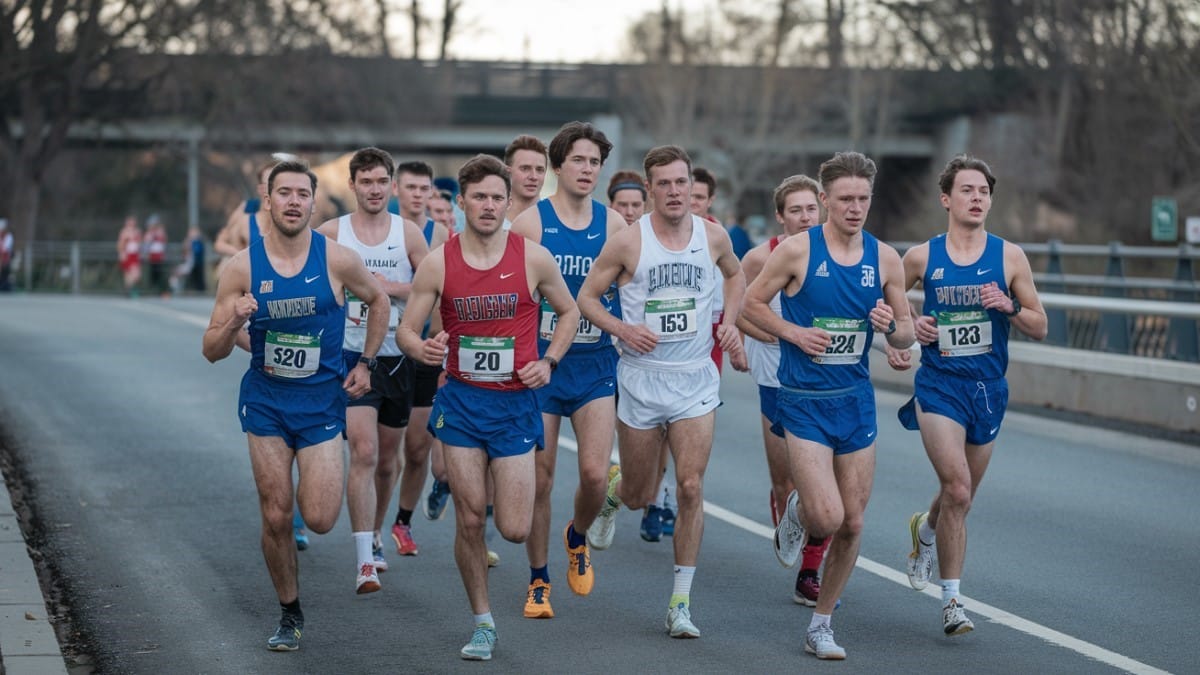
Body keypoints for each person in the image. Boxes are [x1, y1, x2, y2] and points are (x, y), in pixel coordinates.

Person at [396, 153, 579, 661]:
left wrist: (550, 362)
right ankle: (483, 622)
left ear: (507, 202)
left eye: (498, 197)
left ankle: (493, 507)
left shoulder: (532, 257)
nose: (490, 205)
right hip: (461, 403)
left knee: (515, 528)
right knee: (471, 519)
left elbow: (568, 311)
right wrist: (422, 349)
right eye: (479, 196)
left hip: (516, 404)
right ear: (462, 202)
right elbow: (407, 329)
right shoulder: (439, 262)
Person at [202, 159, 389, 651]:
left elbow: (379, 301)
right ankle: (290, 611)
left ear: (312, 201)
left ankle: (299, 566)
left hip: (322, 403)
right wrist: (232, 321)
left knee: (321, 517)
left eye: (301, 194)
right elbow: (211, 350)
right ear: (268, 200)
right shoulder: (241, 267)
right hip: (265, 402)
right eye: (282, 193)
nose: (292, 201)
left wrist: (365, 362)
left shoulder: (337, 259)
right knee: (277, 513)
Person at [741, 151, 914, 660]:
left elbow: (905, 331)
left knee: (853, 522)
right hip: (803, 400)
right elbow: (749, 305)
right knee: (828, 515)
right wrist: (793, 332)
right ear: (824, 200)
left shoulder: (885, 258)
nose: (855, 208)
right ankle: (799, 507)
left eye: (863, 199)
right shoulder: (796, 252)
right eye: (845, 199)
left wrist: (891, 327)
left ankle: (821, 624)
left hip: (855, 400)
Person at [577, 144, 746, 639]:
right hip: (642, 377)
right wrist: (622, 330)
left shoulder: (712, 236)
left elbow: (736, 277)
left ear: (692, 187)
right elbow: (586, 298)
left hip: (695, 376)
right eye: (665, 184)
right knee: (640, 494)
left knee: (691, 487)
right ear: (649, 189)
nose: (675, 192)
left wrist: (729, 323)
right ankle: (614, 493)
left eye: (682, 183)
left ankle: (680, 602)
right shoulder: (628, 243)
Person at [886, 154, 1047, 636]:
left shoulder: (1009, 256)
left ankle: (927, 531)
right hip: (939, 386)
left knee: (961, 497)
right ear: (946, 199)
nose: (977, 199)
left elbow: (1040, 325)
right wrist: (910, 331)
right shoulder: (920, 257)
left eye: (983, 192)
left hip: (988, 388)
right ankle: (953, 603)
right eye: (967, 191)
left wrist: (1010, 305)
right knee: (956, 487)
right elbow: (887, 314)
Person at [510, 121, 626, 618]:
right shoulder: (530, 224)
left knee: (596, 476)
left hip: (594, 363)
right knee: (541, 476)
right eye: (578, 160)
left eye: (594, 162)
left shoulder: (616, 226)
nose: (586, 169)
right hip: (540, 366)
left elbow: (635, 289)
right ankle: (539, 581)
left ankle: (576, 535)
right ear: (559, 165)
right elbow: (511, 296)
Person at [316, 147, 429, 593]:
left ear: (393, 186)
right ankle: (364, 559)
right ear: (354, 186)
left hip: (395, 357)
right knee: (362, 452)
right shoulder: (331, 233)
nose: (375, 189)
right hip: (349, 356)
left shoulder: (409, 234)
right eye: (367, 182)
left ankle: (378, 531)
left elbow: (429, 285)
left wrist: (386, 290)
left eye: (382, 181)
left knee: (387, 461)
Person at [735, 174, 831, 606]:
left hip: (830, 381)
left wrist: (891, 346)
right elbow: (734, 310)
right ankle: (788, 512)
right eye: (795, 210)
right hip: (776, 378)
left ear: (822, 209)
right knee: (787, 481)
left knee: (827, 489)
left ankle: (810, 571)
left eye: (811, 208)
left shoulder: (843, 252)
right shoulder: (759, 258)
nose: (805, 217)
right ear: (780, 216)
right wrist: (774, 334)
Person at [385, 159, 444, 557]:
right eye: (411, 188)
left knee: (418, 447)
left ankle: (402, 522)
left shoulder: (438, 233)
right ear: (396, 190)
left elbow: (439, 289)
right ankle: (371, 523)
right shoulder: (381, 227)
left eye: (425, 189)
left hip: (424, 349)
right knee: (381, 452)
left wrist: (391, 287)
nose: (418, 196)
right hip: (384, 348)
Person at [505, 134, 549, 223]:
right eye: (525, 169)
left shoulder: (559, 220)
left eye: (539, 170)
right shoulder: (492, 220)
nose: (533, 177)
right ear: (507, 172)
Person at [117, 215, 143, 297]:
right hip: (128, 255)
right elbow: (120, 245)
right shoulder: (124, 232)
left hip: (135, 255)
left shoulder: (137, 231)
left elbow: (140, 243)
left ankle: (129, 289)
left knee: (136, 275)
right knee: (128, 274)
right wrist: (122, 253)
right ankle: (128, 291)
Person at [144, 214, 169, 297]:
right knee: (152, 274)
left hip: (160, 257)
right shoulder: (149, 234)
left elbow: (164, 242)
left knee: (161, 274)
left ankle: (162, 291)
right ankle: (151, 291)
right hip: (152, 257)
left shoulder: (161, 232)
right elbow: (146, 245)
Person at [0, 218, 13, 292]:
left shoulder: (8, 237)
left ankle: (5, 286)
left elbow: (5, 250)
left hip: (5, 259)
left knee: (5, 272)